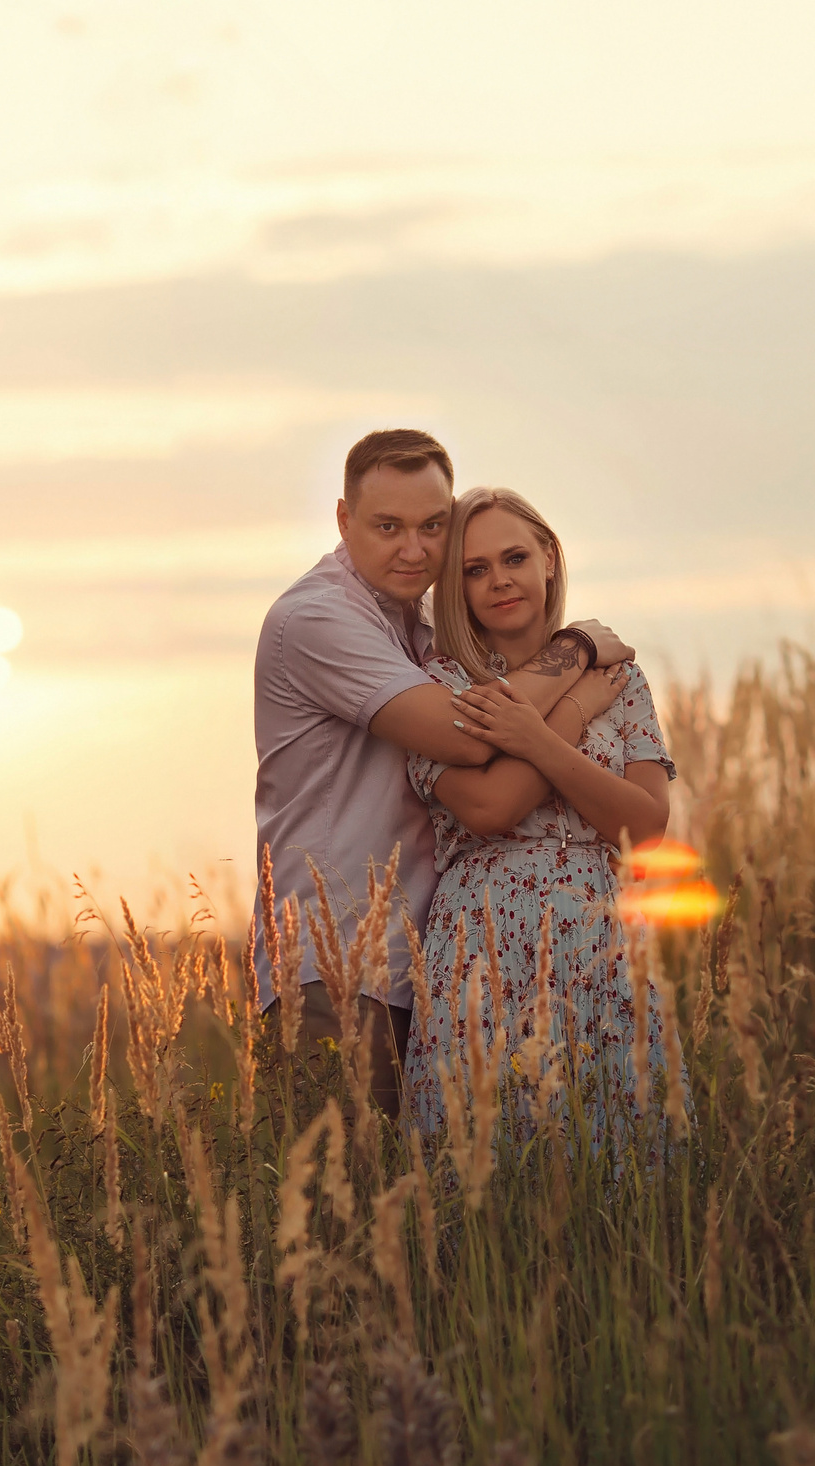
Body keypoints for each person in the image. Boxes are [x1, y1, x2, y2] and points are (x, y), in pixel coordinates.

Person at [252, 430, 632, 1117]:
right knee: (339, 1214)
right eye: (387, 526)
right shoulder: (316, 618)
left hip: (424, 973)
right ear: (344, 520)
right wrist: (575, 654)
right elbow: (466, 735)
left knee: (422, 1210)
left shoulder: (423, 624)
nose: (414, 548)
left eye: (433, 527)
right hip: (335, 970)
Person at [401, 485, 681, 1146]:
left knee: (616, 1154)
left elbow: (645, 829)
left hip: (601, 940)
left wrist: (538, 739)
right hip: (483, 943)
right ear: (456, 588)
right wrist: (573, 708)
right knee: (487, 1161)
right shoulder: (436, 688)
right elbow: (492, 808)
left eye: (514, 557)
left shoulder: (621, 680)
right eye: (475, 570)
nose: (499, 580)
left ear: (548, 558)